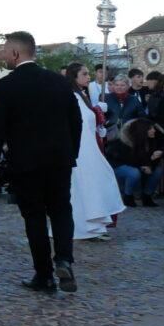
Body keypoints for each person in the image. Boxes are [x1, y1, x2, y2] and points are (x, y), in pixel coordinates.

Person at [0, 32, 83, 294]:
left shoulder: (6, 86)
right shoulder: (59, 82)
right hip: (59, 160)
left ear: (16, 53)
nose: (3, 55)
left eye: (5, 50)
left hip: (26, 162)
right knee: (61, 210)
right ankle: (63, 259)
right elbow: (76, 120)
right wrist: (72, 152)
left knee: (34, 218)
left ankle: (44, 275)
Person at [64, 63, 126, 241]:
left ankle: (95, 225)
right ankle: (86, 227)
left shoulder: (82, 95)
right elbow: (79, 122)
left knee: (96, 184)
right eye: (84, 74)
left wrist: (98, 116)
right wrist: (96, 112)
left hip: (90, 147)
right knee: (86, 187)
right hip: (82, 150)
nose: (88, 77)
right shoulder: (72, 97)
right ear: (74, 77)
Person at [109, 117, 164, 207]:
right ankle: (128, 196)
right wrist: (143, 166)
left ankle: (147, 196)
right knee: (134, 172)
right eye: (150, 128)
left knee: (157, 171)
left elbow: (146, 160)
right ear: (143, 130)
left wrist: (153, 159)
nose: (154, 130)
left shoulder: (150, 140)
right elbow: (128, 160)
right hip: (119, 166)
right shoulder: (124, 143)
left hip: (136, 166)